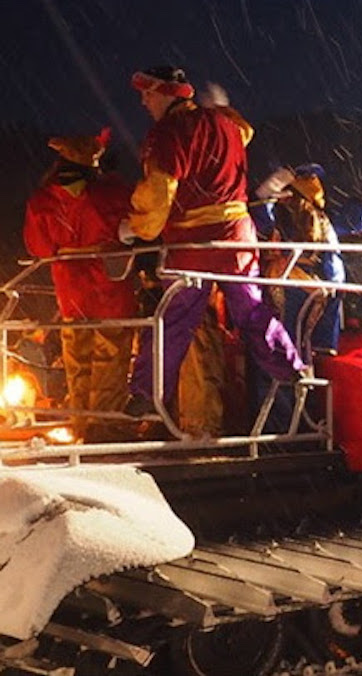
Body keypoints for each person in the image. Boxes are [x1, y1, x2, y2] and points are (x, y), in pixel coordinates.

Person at [119, 66, 304, 418]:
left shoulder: (167, 133)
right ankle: (291, 367)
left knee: (174, 318)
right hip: (237, 237)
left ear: (168, 93)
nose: (143, 101)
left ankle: (145, 394)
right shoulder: (228, 126)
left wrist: (136, 227)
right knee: (252, 309)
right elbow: (242, 133)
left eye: (149, 93)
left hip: (193, 243)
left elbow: (159, 191)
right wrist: (220, 110)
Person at [23, 129, 136, 440]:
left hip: (71, 291)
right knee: (110, 360)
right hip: (110, 288)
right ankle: (105, 423)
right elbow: (137, 225)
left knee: (78, 361)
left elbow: (38, 247)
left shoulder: (42, 200)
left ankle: (82, 422)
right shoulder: (111, 194)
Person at [251, 164, 362, 355]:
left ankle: (285, 361)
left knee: (283, 342)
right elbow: (354, 220)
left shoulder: (285, 216)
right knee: (309, 343)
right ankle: (315, 352)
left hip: (293, 284)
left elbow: (260, 217)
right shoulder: (325, 219)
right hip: (323, 286)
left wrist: (268, 191)